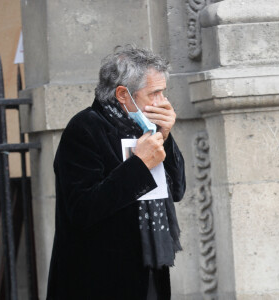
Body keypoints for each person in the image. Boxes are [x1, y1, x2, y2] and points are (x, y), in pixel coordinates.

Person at [46, 45, 186, 300]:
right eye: (154, 93)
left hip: (148, 269)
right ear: (123, 94)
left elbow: (176, 190)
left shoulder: (147, 128)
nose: (163, 102)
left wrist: (165, 139)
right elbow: (83, 209)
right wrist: (139, 165)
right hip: (98, 276)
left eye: (163, 92)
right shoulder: (85, 128)